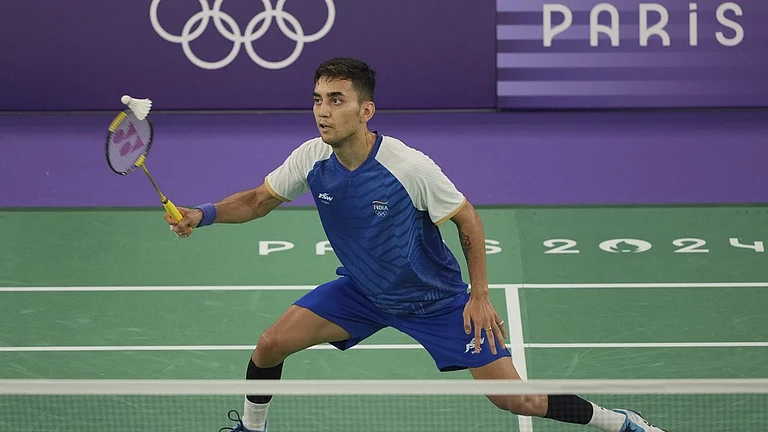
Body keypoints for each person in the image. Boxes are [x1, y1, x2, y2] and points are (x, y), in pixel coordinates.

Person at [166, 57, 666, 432]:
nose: (322, 111)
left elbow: (468, 220)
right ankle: (251, 429)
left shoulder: (408, 167)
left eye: (336, 100)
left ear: (365, 110)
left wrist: (479, 295)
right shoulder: (311, 157)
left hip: (435, 301)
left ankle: (619, 422)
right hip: (363, 292)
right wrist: (201, 214)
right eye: (317, 99)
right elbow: (258, 199)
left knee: (516, 400)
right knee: (270, 344)